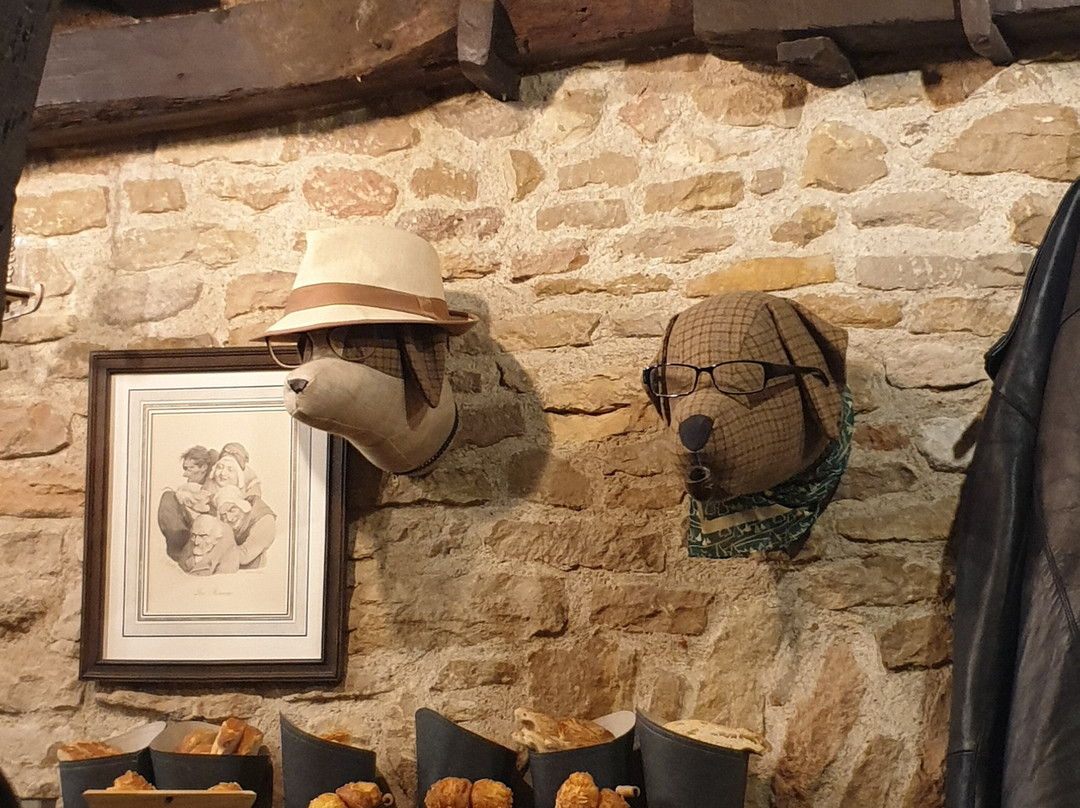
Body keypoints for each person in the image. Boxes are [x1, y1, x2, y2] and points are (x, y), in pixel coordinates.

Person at [158, 445, 219, 561]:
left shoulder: (215, 487)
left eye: (189, 469)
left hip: (204, 543)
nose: (185, 474)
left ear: (204, 467)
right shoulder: (191, 489)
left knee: (168, 497)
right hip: (191, 543)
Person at [214, 484, 276, 569]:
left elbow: (245, 556)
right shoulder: (229, 522)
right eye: (223, 515)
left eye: (232, 510)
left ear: (242, 506)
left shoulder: (264, 521)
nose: (229, 518)